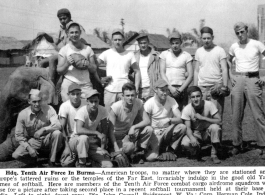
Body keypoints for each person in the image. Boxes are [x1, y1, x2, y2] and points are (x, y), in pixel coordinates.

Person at [228, 22, 265, 157]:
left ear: (247, 31)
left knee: (258, 114)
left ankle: (263, 145)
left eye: (242, 32)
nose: (240, 35)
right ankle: (237, 144)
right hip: (238, 80)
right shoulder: (234, 47)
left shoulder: (256, 44)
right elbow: (228, 61)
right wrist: (231, 76)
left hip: (253, 79)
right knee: (236, 115)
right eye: (237, 33)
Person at [12, 89, 63, 167]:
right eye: (34, 102)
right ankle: (34, 159)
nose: (37, 104)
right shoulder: (23, 114)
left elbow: (58, 125)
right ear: (29, 101)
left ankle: (52, 160)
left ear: (42, 100)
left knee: (57, 133)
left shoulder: (49, 109)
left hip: (47, 138)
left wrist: (44, 129)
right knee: (16, 155)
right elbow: (19, 136)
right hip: (33, 141)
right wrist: (29, 148)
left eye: (39, 101)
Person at [40, 8, 88, 85]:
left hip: (74, 53)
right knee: (42, 62)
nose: (62, 21)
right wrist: (45, 35)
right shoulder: (61, 29)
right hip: (63, 54)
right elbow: (55, 41)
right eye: (60, 19)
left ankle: (51, 84)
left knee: (52, 59)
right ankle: (41, 82)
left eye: (64, 18)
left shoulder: (76, 27)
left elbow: (84, 41)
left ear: (69, 17)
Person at [98, 29, 141, 113]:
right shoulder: (106, 53)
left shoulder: (129, 54)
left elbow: (137, 71)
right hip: (110, 90)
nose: (117, 42)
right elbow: (94, 66)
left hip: (124, 91)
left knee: (124, 116)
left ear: (123, 40)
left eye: (119, 39)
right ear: (112, 41)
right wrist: (101, 79)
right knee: (108, 117)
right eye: (115, 40)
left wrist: (135, 89)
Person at [67, 89, 112, 167]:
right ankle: (82, 164)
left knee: (108, 165)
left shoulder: (103, 110)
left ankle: (90, 160)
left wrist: (102, 148)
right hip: (76, 142)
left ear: (99, 101)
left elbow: (104, 131)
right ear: (87, 101)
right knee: (83, 138)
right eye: (91, 101)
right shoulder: (82, 111)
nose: (94, 104)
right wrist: (96, 132)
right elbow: (79, 130)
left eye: (96, 101)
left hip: (91, 144)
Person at [144, 79, 187, 161]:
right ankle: (159, 149)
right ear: (155, 90)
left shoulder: (171, 100)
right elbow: (146, 123)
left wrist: (169, 120)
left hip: (167, 130)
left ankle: (171, 149)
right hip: (155, 133)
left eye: (167, 90)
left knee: (182, 127)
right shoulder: (149, 103)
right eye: (162, 90)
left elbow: (180, 118)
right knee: (151, 158)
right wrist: (153, 133)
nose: (165, 93)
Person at [57, 22, 101, 102]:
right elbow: (59, 71)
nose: (74, 35)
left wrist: (88, 64)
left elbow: (94, 69)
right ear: (67, 34)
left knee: (87, 109)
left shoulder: (88, 49)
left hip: (85, 84)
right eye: (72, 32)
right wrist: (67, 64)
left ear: (80, 33)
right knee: (69, 109)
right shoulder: (64, 50)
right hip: (69, 83)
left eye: (76, 32)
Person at [108, 83, 152, 162]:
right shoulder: (116, 107)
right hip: (116, 136)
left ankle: (137, 152)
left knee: (149, 129)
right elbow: (110, 131)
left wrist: (133, 127)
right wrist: (116, 149)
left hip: (128, 133)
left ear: (136, 95)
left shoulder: (138, 102)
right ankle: (117, 152)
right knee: (129, 147)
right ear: (122, 96)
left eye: (132, 95)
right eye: (127, 96)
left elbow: (147, 120)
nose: (130, 98)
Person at [181, 86, 222, 164]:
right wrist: (192, 137)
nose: (196, 99)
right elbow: (188, 128)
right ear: (190, 98)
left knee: (215, 127)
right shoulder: (187, 109)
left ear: (202, 96)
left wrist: (203, 118)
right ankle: (196, 150)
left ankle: (214, 154)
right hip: (196, 133)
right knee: (185, 143)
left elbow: (219, 121)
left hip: (207, 131)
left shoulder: (209, 104)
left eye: (198, 96)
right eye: (193, 97)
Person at [194, 27, 229, 118]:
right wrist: (195, 88)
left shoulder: (220, 50)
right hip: (202, 88)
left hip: (216, 88)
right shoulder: (198, 51)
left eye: (208, 38)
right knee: (201, 118)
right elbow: (196, 70)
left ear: (212, 38)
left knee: (217, 117)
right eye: (204, 38)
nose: (206, 41)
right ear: (201, 39)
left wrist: (224, 86)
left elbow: (225, 69)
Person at [160, 32, 193, 110]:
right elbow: (162, 73)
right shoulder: (164, 54)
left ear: (181, 43)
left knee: (182, 112)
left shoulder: (186, 55)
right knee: (168, 111)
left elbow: (191, 75)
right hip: (168, 88)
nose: (175, 45)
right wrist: (170, 87)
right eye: (173, 43)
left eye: (177, 43)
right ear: (170, 44)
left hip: (182, 88)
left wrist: (180, 89)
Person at [58, 83, 85, 166]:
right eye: (73, 94)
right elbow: (62, 128)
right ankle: (76, 156)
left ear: (81, 94)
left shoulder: (86, 104)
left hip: (85, 137)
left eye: (78, 94)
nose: (76, 97)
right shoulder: (64, 106)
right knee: (65, 164)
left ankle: (82, 160)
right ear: (68, 95)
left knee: (83, 140)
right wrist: (67, 147)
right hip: (71, 138)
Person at [134, 33, 161, 102]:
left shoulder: (156, 55)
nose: (143, 45)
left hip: (152, 88)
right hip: (139, 89)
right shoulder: (134, 56)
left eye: (145, 43)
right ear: (138, 44)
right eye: (140, 43)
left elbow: (160, 73)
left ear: (148, 42)